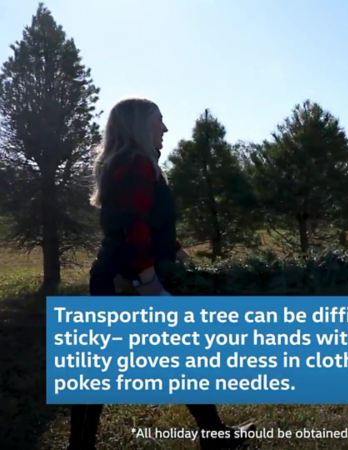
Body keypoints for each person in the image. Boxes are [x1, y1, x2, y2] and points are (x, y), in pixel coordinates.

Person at [69, 98, 251, 450]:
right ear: (140, 125)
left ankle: (214, 435)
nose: (165, 129)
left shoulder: (134, 164)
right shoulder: (134, 164)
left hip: (127, 273)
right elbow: (133, 226)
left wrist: (178, 250)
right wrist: (148, 282)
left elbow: (150, 220)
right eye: (159, 121)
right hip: (126, 278)